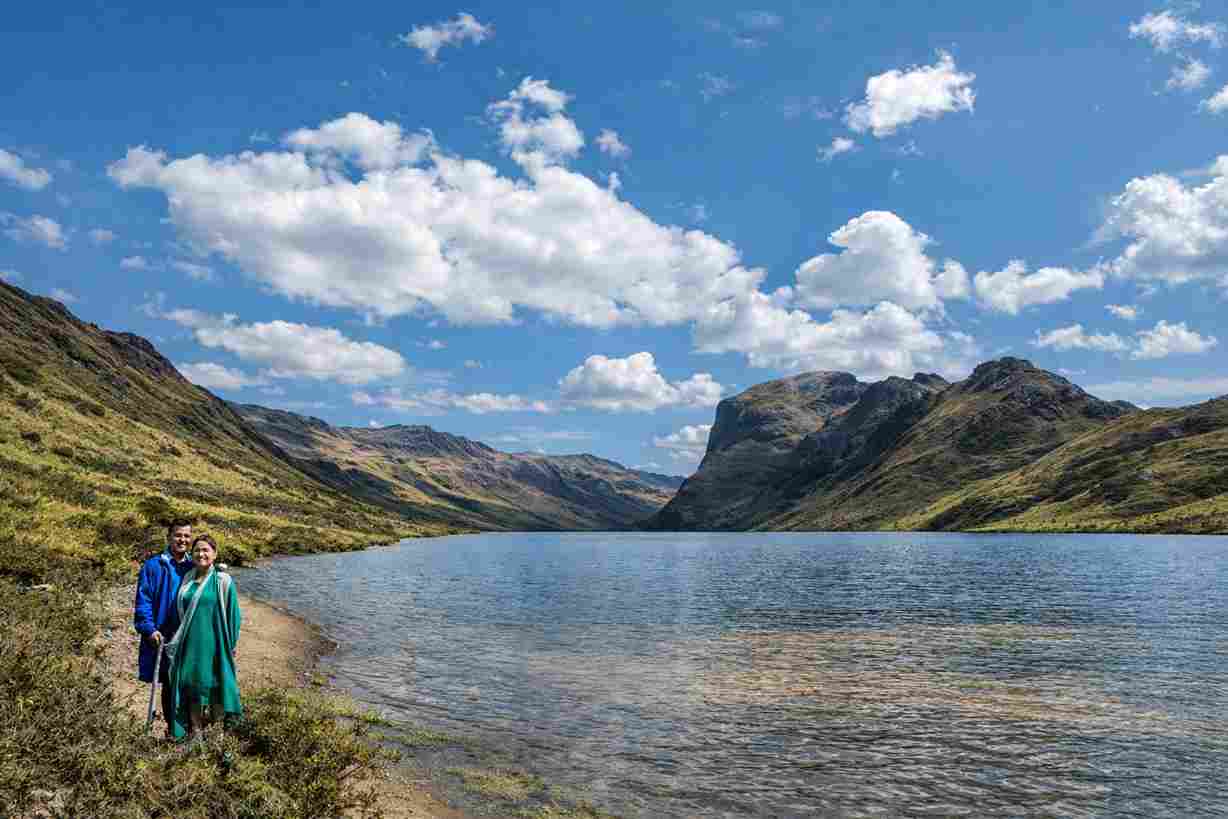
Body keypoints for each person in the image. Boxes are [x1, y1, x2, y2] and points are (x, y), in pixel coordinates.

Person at [165, 533, 242, 740]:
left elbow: (234, 615)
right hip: (190, 643)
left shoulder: (223, 580)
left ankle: (217, 734)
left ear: (215, 554)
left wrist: (231, 644)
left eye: (206, 550)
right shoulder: (187, 578)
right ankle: (196, 733)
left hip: (216, 643)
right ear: (192, 554)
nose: (201, 554)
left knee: (216, 686)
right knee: (191, 686)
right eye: (197, 550)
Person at [133, 518, 195, 735]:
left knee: (186, 682)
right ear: (169, 537)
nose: (183, 540)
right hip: (163, 635)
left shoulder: (193, 566)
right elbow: (144, 600)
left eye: (187, 536)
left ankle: (187, 728)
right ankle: (173, 729)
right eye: (178, 535)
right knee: (169, 683)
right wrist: (148, 629)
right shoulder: (153, 566)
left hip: (186, 636)